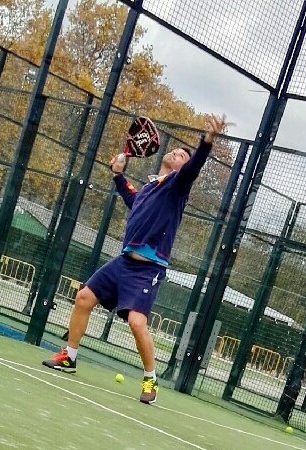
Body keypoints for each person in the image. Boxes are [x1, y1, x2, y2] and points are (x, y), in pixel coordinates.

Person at [42, 114, 227, 404]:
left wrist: (207, 142)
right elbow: (132, 198)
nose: (176, 153)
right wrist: (118, 175)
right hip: (124, 262)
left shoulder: (177, 186)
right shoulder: (151, 187)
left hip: (148, 269)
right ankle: (70, 356)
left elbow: (193, 168)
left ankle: (150, 379)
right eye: (175, 151)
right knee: (84, 298)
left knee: (137, 322)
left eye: (182, 155)